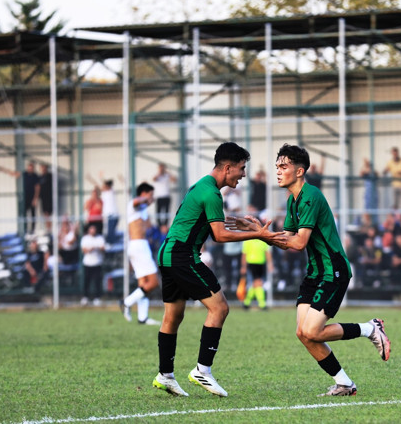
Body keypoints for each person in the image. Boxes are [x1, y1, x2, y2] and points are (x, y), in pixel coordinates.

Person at [152, 142, 284, 398]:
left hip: (168, 254)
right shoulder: (212, 193)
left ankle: (165, 375)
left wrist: (246, 225)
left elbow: (208, 221)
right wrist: (257, 234)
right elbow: (220, 235)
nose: (243, 174)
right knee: (220, 307)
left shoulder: (202, 186)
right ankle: (202, 370)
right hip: (182, 257)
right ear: (227, 167)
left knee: (173, 317)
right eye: (241, 168)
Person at [273, 143, 390, 397]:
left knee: (312, 331)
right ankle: (345, 384)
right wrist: (255, 233)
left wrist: (261, 235)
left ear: (300, 171)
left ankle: (370, 329)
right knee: (303, 334)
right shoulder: (293, 201)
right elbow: (286, 239)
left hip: (333, 271)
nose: (278, 171)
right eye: (277, 167)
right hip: (315, 273)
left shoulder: (311, 196)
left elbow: (299, 242)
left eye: (284, 166)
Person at [120, 183, 160, 326]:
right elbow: (137, 201)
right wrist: (146, 199)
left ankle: (143, 317)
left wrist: (148, 201)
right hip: (138, 246)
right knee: (154, 282)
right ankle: (127, 302)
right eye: (150, 194)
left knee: (143, 283)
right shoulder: (134, 204)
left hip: (140, 246)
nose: (152, 197)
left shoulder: (143, 210)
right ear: (144, 193)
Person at [5, 162, 40, 234]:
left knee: (33, 215)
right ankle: (25, 230)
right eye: (29, 168)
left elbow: (37, 187)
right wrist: (7, 171)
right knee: (25, 214)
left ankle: (33, 230)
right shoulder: (25, 174)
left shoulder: (35, 176)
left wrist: (35, 199)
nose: (30, 169)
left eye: (31, 168)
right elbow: (16, 174)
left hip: (32, 198)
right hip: (25, 197)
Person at [241, 236, 272, 310]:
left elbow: (267, 252)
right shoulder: (247, 240)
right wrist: (244, 266)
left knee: (256, 283)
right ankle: (262, 304)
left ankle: (247, 303)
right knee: (258, 282)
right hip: (252, 263)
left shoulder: (263, 240)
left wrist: (269, 264)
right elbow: (244, 254)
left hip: (261, 263)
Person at [80, 223, 105, 306]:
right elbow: (84, 250)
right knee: (87, 281)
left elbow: (103, 248)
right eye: (91, 229)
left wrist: (97, 248)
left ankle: (97, 298)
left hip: (97, 263)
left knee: (97, 281)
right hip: (88, 263)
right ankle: (85, 297)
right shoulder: (85, 238)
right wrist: (90, 249)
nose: (93, 231)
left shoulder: (100, 238)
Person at [153, 163, 178, 227]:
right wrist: (160, 173)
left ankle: (165, 226)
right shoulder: (157, 176)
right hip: (159, 197)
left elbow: (174, 180)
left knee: (167, 212)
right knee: (158, 213)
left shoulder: (167, 175)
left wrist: (168, 173)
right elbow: (154, 179)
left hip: (166, 197)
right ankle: (159, 226)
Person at [36, 163, 54, 232]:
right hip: (43, 198)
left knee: (49, 213)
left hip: (49, 197)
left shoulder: (50, 176)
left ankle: (49, 228)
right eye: (42, 168)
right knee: (45, 213)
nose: (43, 170)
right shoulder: (40, 177)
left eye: (44, 168)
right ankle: (48, 228)